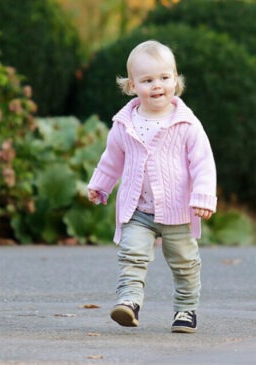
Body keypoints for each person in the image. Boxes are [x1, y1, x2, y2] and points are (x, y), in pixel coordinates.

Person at [87, 40, 217, 333]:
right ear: (132, 85)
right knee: (132, 255)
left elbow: (203, 163)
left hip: (178, 211)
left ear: (175, 79)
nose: (157, 85)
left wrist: (203, 197)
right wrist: (100, 185)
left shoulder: (186, 123)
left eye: (164, 78)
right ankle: (129, 302)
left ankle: (185, 309)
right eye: (147, 80)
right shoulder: (125, 123)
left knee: (185, 263)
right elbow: (112, 159)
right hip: (137, 210)